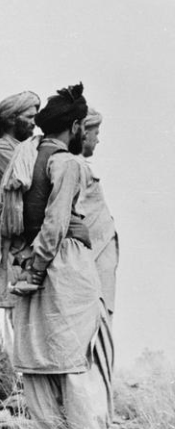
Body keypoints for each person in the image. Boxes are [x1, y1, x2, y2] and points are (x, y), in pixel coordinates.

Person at [0, 83, 111, 429]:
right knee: (72, 363)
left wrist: (29, 266)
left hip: (29, 264)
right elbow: (56, 223)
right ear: (75, 127)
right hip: (61, 269)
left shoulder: (26, 155)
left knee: (38, 361)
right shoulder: (67, 163)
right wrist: (38, 269)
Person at [0, 92, 40, 350]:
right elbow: (31, 181)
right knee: (18, 312)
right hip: (13, 241)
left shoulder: (23, 148)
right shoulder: (1, 149)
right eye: (30, 117)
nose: (34, 123)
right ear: (12, 119)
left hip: (29, 237)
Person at [80, 108, 119, 329]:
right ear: (84, 132)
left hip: (98, 256)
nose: (98, 140)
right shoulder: (74, 167)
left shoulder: (79, 166)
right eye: (96, 133)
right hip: (90, 260)